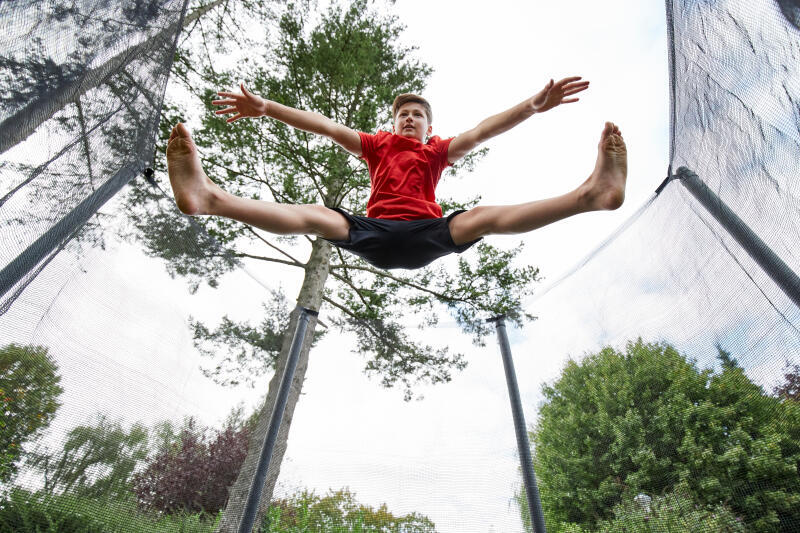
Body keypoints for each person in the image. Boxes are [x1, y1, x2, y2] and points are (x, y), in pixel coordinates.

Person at [166, 76, 627, 269]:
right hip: (376, 232)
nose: (409, 118)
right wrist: (267, 108)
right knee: (315, 214)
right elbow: (326, 127)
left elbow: (485, 130)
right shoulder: (376, 145)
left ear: (430, 127)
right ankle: (210, 199)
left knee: (482, 216)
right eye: (403, 113)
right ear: (393, 122)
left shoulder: (438, 152)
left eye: (417, 115)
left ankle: (591, 195)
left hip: (427, 231)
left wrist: (531, 105)